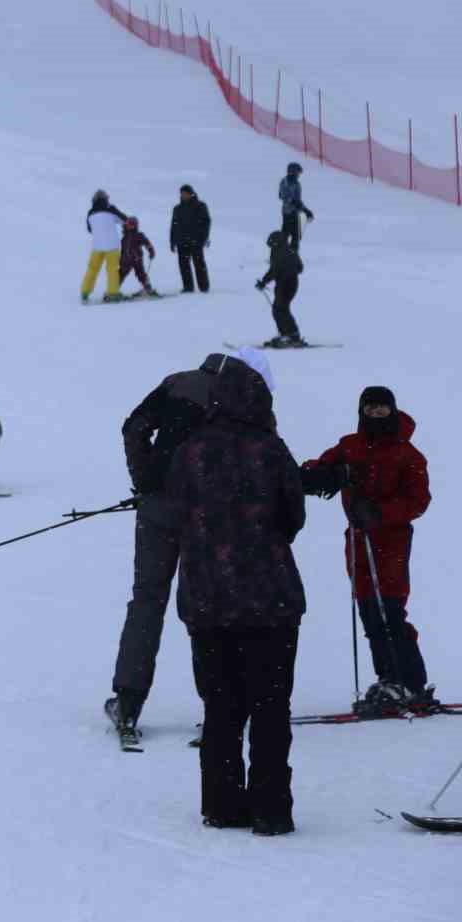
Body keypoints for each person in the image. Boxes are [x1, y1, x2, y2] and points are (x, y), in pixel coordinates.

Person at [165, 347, 305, 836]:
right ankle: (270, 807)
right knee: (270, 707)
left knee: (221, 708)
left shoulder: (189, 451)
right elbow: (293, 516)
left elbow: (174, 515)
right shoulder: (271, 449)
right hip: (270, 601)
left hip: (206, 602)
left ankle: (222, 803)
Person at [109, 351, 255, 737]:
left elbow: (134, 427)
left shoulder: (176, 382)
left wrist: (145, 480)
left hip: (159, 506)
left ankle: (128, 701)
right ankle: (218, 708)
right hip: (211, 514)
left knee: (148, 598)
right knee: (208, 606)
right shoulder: (245, 396)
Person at [300, 387, 435, 716]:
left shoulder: (408, 453)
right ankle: (387, 679)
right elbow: (315, 469)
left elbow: (419, 500)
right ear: (361, 411)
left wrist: (380, 513)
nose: (376, 413)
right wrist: (324, 475)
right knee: (369, 611)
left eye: (382, 408)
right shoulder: (350, 445)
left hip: (391, 539)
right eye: (370, 408)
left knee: (390, 609)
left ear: (392, 410)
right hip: (358, 540)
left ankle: (412, 683)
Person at [255, 231, 304, 347]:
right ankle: (286, 334)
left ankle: (292, 335)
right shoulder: (285, 251)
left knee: (280, 309)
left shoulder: (283, 252)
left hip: (287, 284)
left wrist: (264, 281)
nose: (270, 247)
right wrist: (264, 281)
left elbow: (276, 270)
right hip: (286, 284)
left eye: (271, 244)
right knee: (279, 309)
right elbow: (298, 268)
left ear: (277, 243)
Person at [81, 190, 127, 303]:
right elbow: (125, 220)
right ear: (105, 199)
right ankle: (112, 293)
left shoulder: (90, 213)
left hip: (97, 246)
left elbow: (90, 229)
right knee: (112, 269)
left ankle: (85, 292)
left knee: (92, 269)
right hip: (112, 246)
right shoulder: (111, 209)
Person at [170, 184, 211, 294]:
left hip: (196, 241)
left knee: (199, 264)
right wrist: (172, 241)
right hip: (181, 242)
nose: (183, 195)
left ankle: (204, 287)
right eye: (181, 193)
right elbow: (174, 225)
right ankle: (188, 287)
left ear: (191, 193)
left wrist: (203, 238)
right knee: (184, 266)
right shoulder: (177, 209)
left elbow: (206, 222)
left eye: (185, 193)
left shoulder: (200, 206)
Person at [278, 162, 314, 251]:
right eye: (298, 173)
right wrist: (293, 202)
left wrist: (305, 210)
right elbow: (283, 196)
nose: (299, 175)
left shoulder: (297, 184)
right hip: (287, 212)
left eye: (299, 173)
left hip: (294, 212)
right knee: (286, 233)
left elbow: (298, 200)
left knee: (295, 235)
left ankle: (293, 253)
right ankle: (281, 252)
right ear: (292, 172)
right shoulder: (285, 182)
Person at [120, 217, 157, 296]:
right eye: (128, 224)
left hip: (137, 259)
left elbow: (147, 243)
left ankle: (148, 288)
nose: (130, 226)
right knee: (120, 274)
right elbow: (122, 250)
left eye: (132, 224)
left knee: (141, 274)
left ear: (136, 225)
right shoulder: (124, 237)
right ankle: (113, 290)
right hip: (126, 260)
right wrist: (120, 260)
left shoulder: (139, 235)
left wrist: (151, 251)